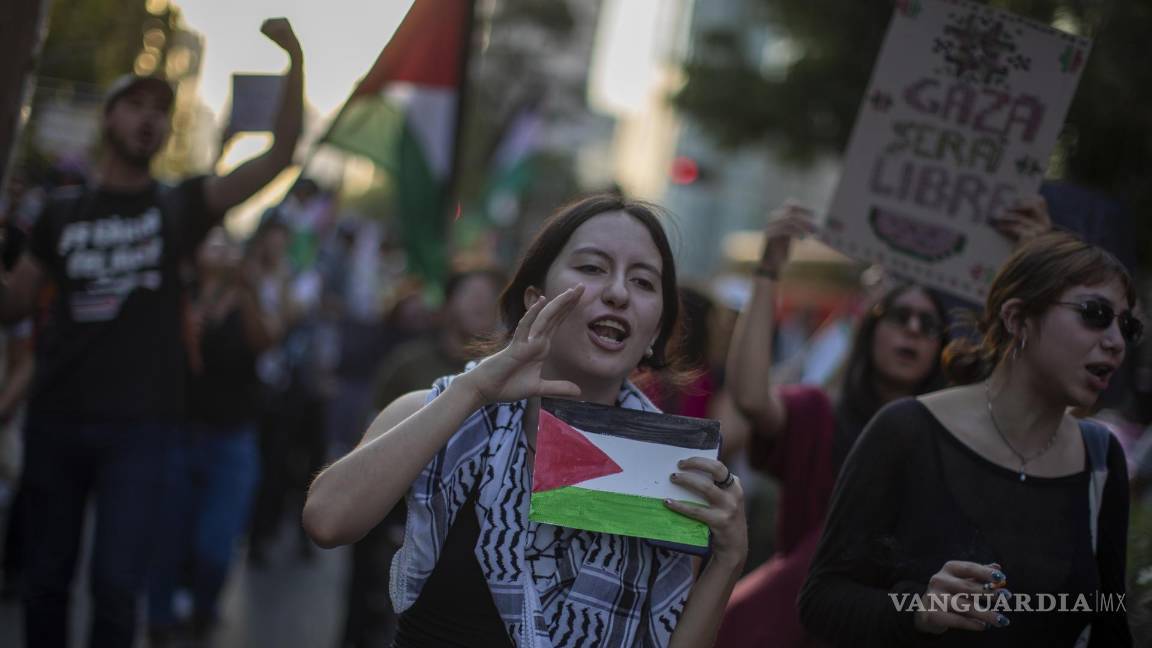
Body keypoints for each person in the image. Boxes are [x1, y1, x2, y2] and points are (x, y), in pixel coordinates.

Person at [304, 195, 748, 647]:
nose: (618, 292)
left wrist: (729, 559)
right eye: (593, 268)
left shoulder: (669, 468)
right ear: (536, 298)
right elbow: (327, 520)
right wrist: (472, 391)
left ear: (654, 331)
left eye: (642, 282)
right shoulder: (440, 411)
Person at [0, 18, 303, 647]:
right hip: (55, 419)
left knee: (116, 588)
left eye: (160, 110)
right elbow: (14, 306)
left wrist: (295, 60)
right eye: (134, 105)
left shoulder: (179, 207)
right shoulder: (59, 214)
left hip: (142, 430)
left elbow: (278, 155)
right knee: (45, 580)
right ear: (109, 120)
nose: (149, 118)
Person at [799, 231, 1137, 646]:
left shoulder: (1101, 458)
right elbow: (822, 599)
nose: (1116, 342)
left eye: (1127, 325)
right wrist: (918, 609)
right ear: (1017, 318)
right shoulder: (907, 430)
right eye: (1095, 313)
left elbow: (1108, 621)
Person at [716, 205, 951, 647]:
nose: (914, 330)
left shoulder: (953, 432)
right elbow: (749, 396)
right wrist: (769, 270)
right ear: (869, 329)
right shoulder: (819, 412)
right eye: (900, 317)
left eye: (929, 324)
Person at [341, 268, 504, 648]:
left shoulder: (507, 380)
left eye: (491, 296)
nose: (482, 303)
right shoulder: (408, 364)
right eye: (473, 293)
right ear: (447, 305)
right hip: (395, 515)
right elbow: (368, 446)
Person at [147, 227, 282, 644]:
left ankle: (204, 609)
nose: (222, 250)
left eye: (228, 243)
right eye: (213, 241)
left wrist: (248, 294)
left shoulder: (245, 297)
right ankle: (159, 619)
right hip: (178, 433)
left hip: (232, 439)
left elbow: (267, 342)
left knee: (215, 546)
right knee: (167, 538)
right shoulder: (178, 292)